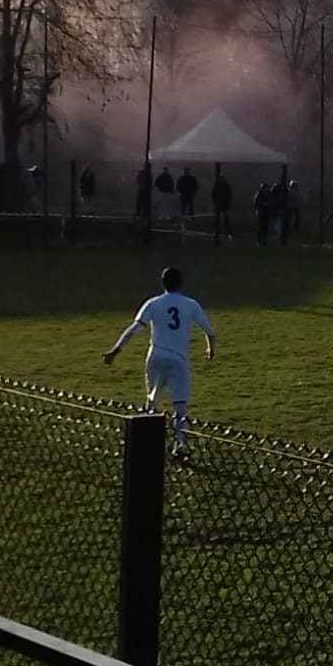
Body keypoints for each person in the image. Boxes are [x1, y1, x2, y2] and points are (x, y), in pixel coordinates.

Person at [102, 267, 216, 457]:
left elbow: (134, 329)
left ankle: (145, 439)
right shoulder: (190, 304)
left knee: (152, 399)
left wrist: (115, 350)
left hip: (156, 356)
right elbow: (210, 331)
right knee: (180, 404)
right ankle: (180, 443)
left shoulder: (153, 303)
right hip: (178, 359)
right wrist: (211, 349)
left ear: (162, 283)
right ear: (181, 283)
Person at [212, 171, 233, 238]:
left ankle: (227, 231)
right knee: (217, 218)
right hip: (218, 204)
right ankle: (216, 230)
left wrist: (228, 202)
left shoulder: (226, 185)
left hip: (225, 204)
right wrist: (215, 201)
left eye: (223, 178)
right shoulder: (217, 185)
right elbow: (213, 194)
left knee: (226, 218)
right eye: (221, 178)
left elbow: (229, 194)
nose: (222, 179)